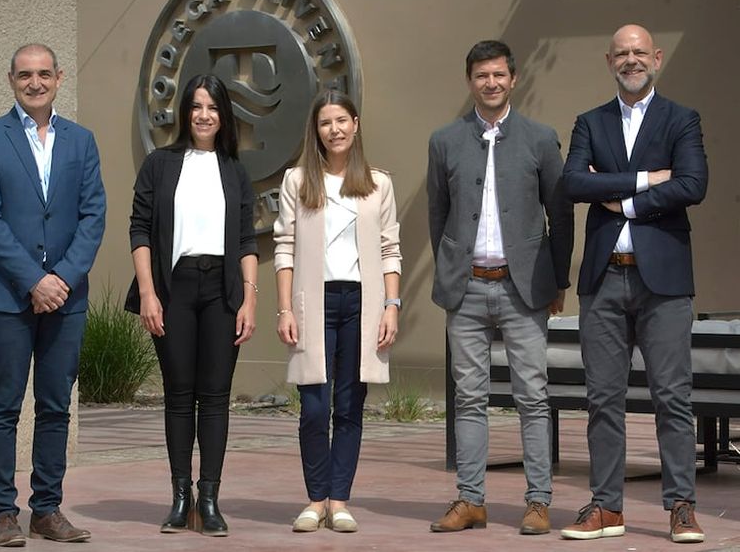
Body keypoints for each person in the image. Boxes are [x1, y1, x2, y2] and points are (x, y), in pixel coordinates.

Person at [559, 24, 708, 544]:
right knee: (602, 399)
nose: (631, 60)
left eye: (639, 52)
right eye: (621, 53)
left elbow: (693, 184)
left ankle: (681, 507)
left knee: (672, 396)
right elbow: (573, 182)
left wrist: (621, 199)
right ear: (609, 61)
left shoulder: (681, 119)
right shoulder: (590, 122)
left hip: (663, 282)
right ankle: (606, 507)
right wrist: (648, 180)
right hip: (603, 279)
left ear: (657, 57)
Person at [427, 40, 573, 535]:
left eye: (498, 75)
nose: (490, 83)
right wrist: (451, 270)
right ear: (469, 81)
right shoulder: (445, 140)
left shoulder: (539, 138)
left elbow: (561, 214)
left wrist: (558, 280)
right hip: (466, 288)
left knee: (532, 396)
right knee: (468, 398)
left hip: (524, 288)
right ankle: (470, 500)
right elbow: (437, 214)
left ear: (513, 79)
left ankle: (538, 501)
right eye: (481, 76)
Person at [0, 43, 106, 546]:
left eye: (44, 74)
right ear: (11, 80)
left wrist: (61, 279)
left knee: (55, 406)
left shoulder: (81, 141)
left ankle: (46, 509)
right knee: (3, 404)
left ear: (59, 78)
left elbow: (93, 216)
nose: (35, 82)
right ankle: (4, 512)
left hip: (66, 297)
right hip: (8, 295)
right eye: (25, 75)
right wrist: (33, 280)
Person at [126, 74, 258, 537]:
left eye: (213, 107)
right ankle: (180, 497)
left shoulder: (235, 170)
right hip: (174, 288)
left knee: (216, 395)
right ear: (186, 112)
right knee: (180, 395)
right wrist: (148, 292)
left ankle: (210, 497)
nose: (205, 115)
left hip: (223, 289)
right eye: (197, 106)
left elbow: (246, 239)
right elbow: (139, 228)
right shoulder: (160, 164)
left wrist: (249, 299)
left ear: (224, 116)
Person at [273, 90, 402, 534]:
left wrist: (391, 305)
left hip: (361, 306)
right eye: (326, 122)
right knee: (314, 406)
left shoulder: (379, 183)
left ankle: (339, 500)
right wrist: (284, 308)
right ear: (317, 130)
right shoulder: (296, 181)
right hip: (315, 304)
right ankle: (315, 499)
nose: (335, 129)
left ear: (356, 124)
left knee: (350, 406)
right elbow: (284, 248)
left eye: (342, 120)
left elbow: (390, 249)